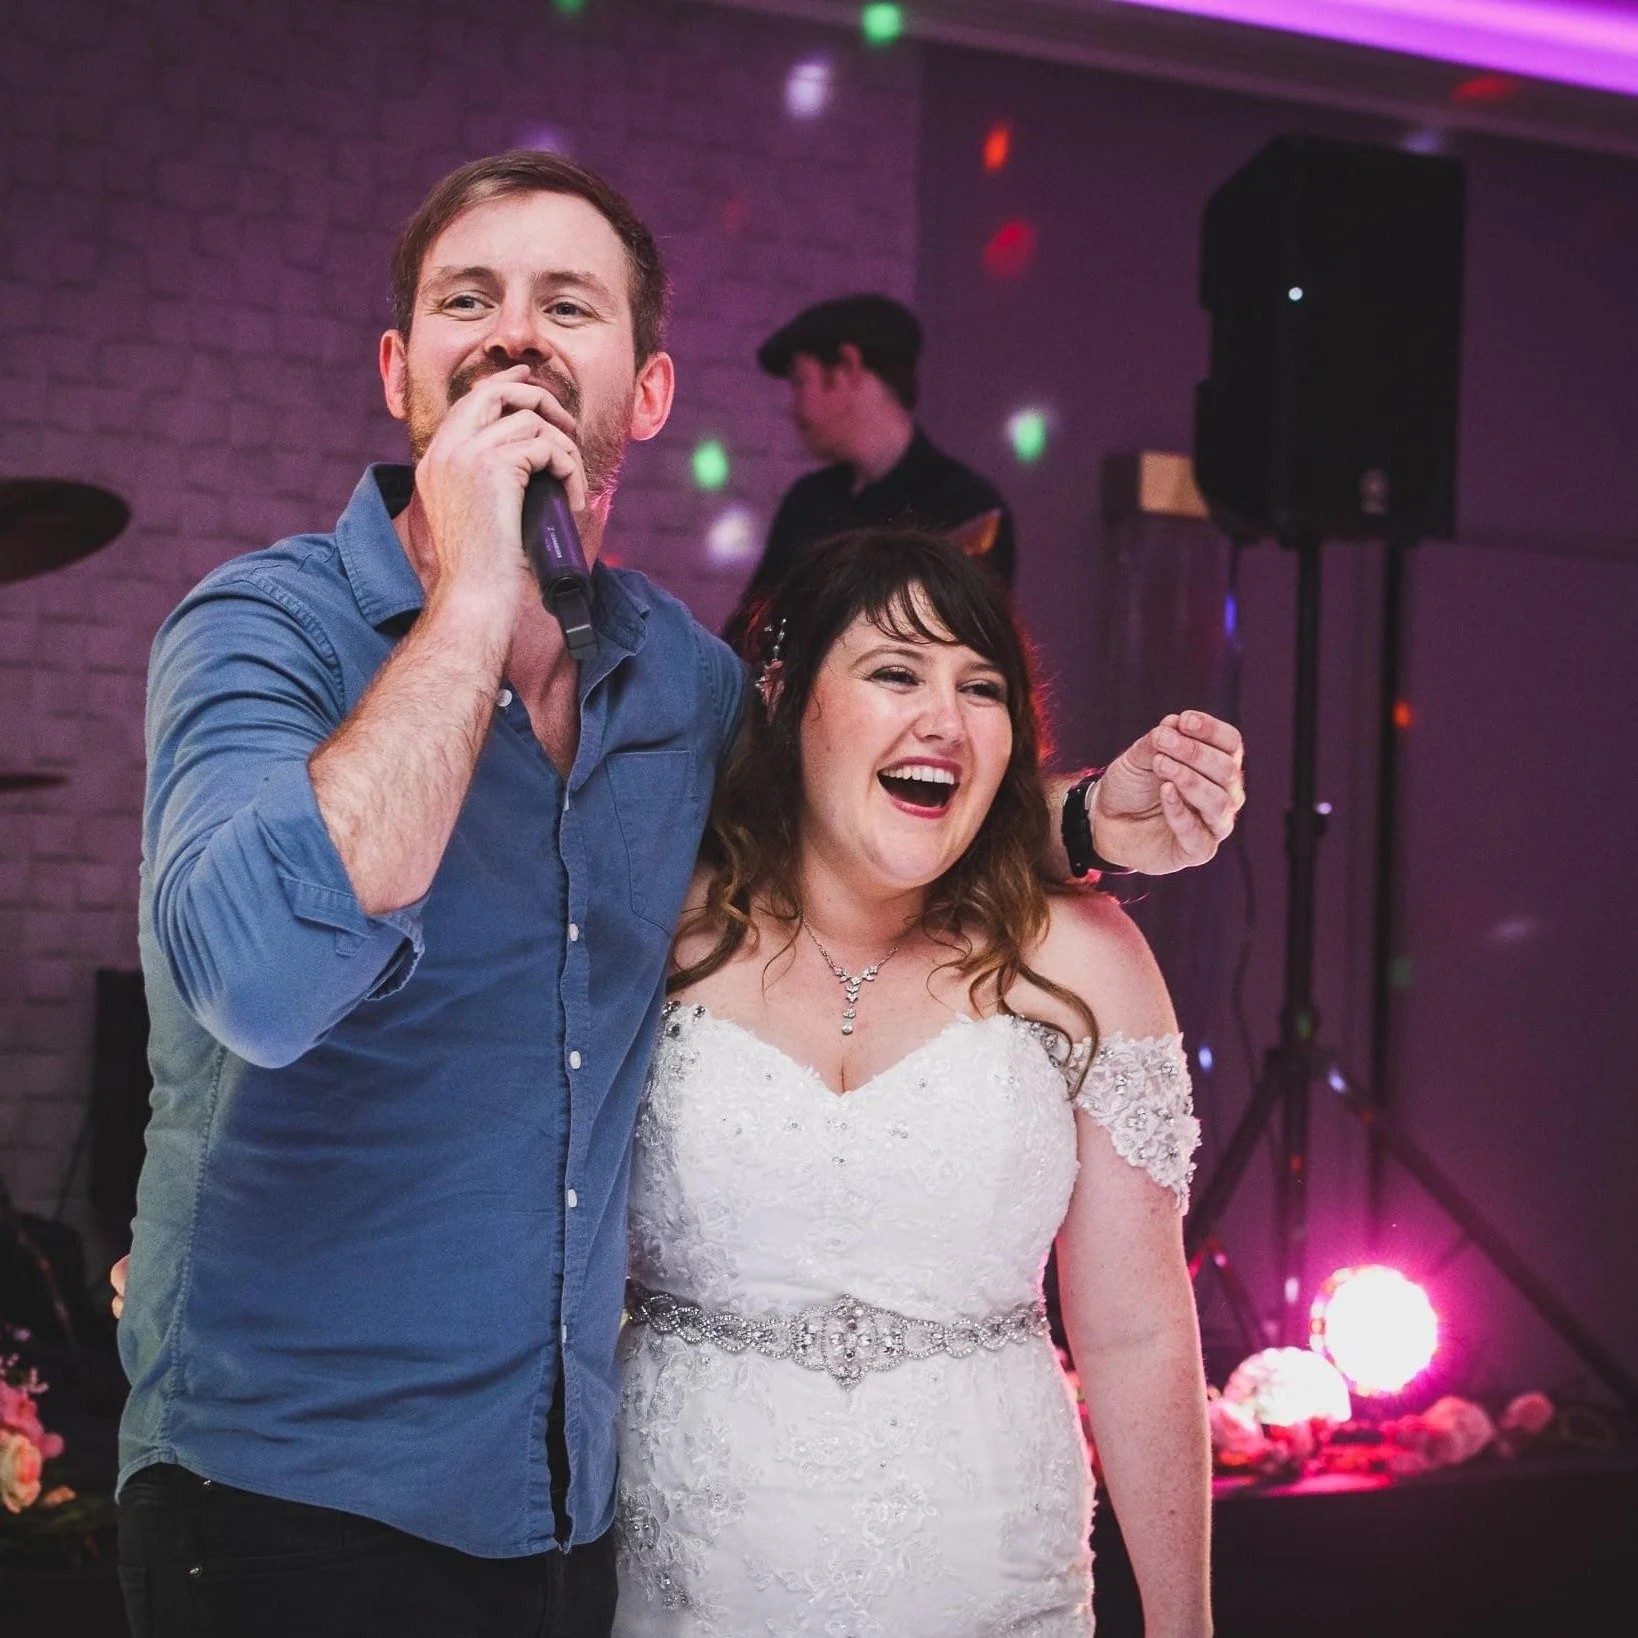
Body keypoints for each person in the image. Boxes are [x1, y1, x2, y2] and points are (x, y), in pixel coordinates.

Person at [113, 148, 1242, 1638]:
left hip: (568, 1511)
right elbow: (262, 980)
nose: (515, 335)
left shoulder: (676, 679)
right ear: (402, 371)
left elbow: (849, 813)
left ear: (642, 392)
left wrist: (1088, 811)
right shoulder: (261, 630)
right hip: (288, 1496)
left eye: (565, 305)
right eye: (471, 299)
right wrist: (471, 593)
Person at [613, 528, 1211, 1636]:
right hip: (694, 1578)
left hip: (991, 1576)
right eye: (896, 672)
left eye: (980, 688)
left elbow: (1137, 1332)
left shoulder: (1083, 959)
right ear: (787, 697)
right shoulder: (657, 929)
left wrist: (1184, 1629)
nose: (943, 717)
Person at [721, 293, 1016, 652]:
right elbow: (748, 638)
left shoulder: (965, 507)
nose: (793, 407)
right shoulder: (807, 502)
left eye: (801, 382)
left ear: (848, 366)